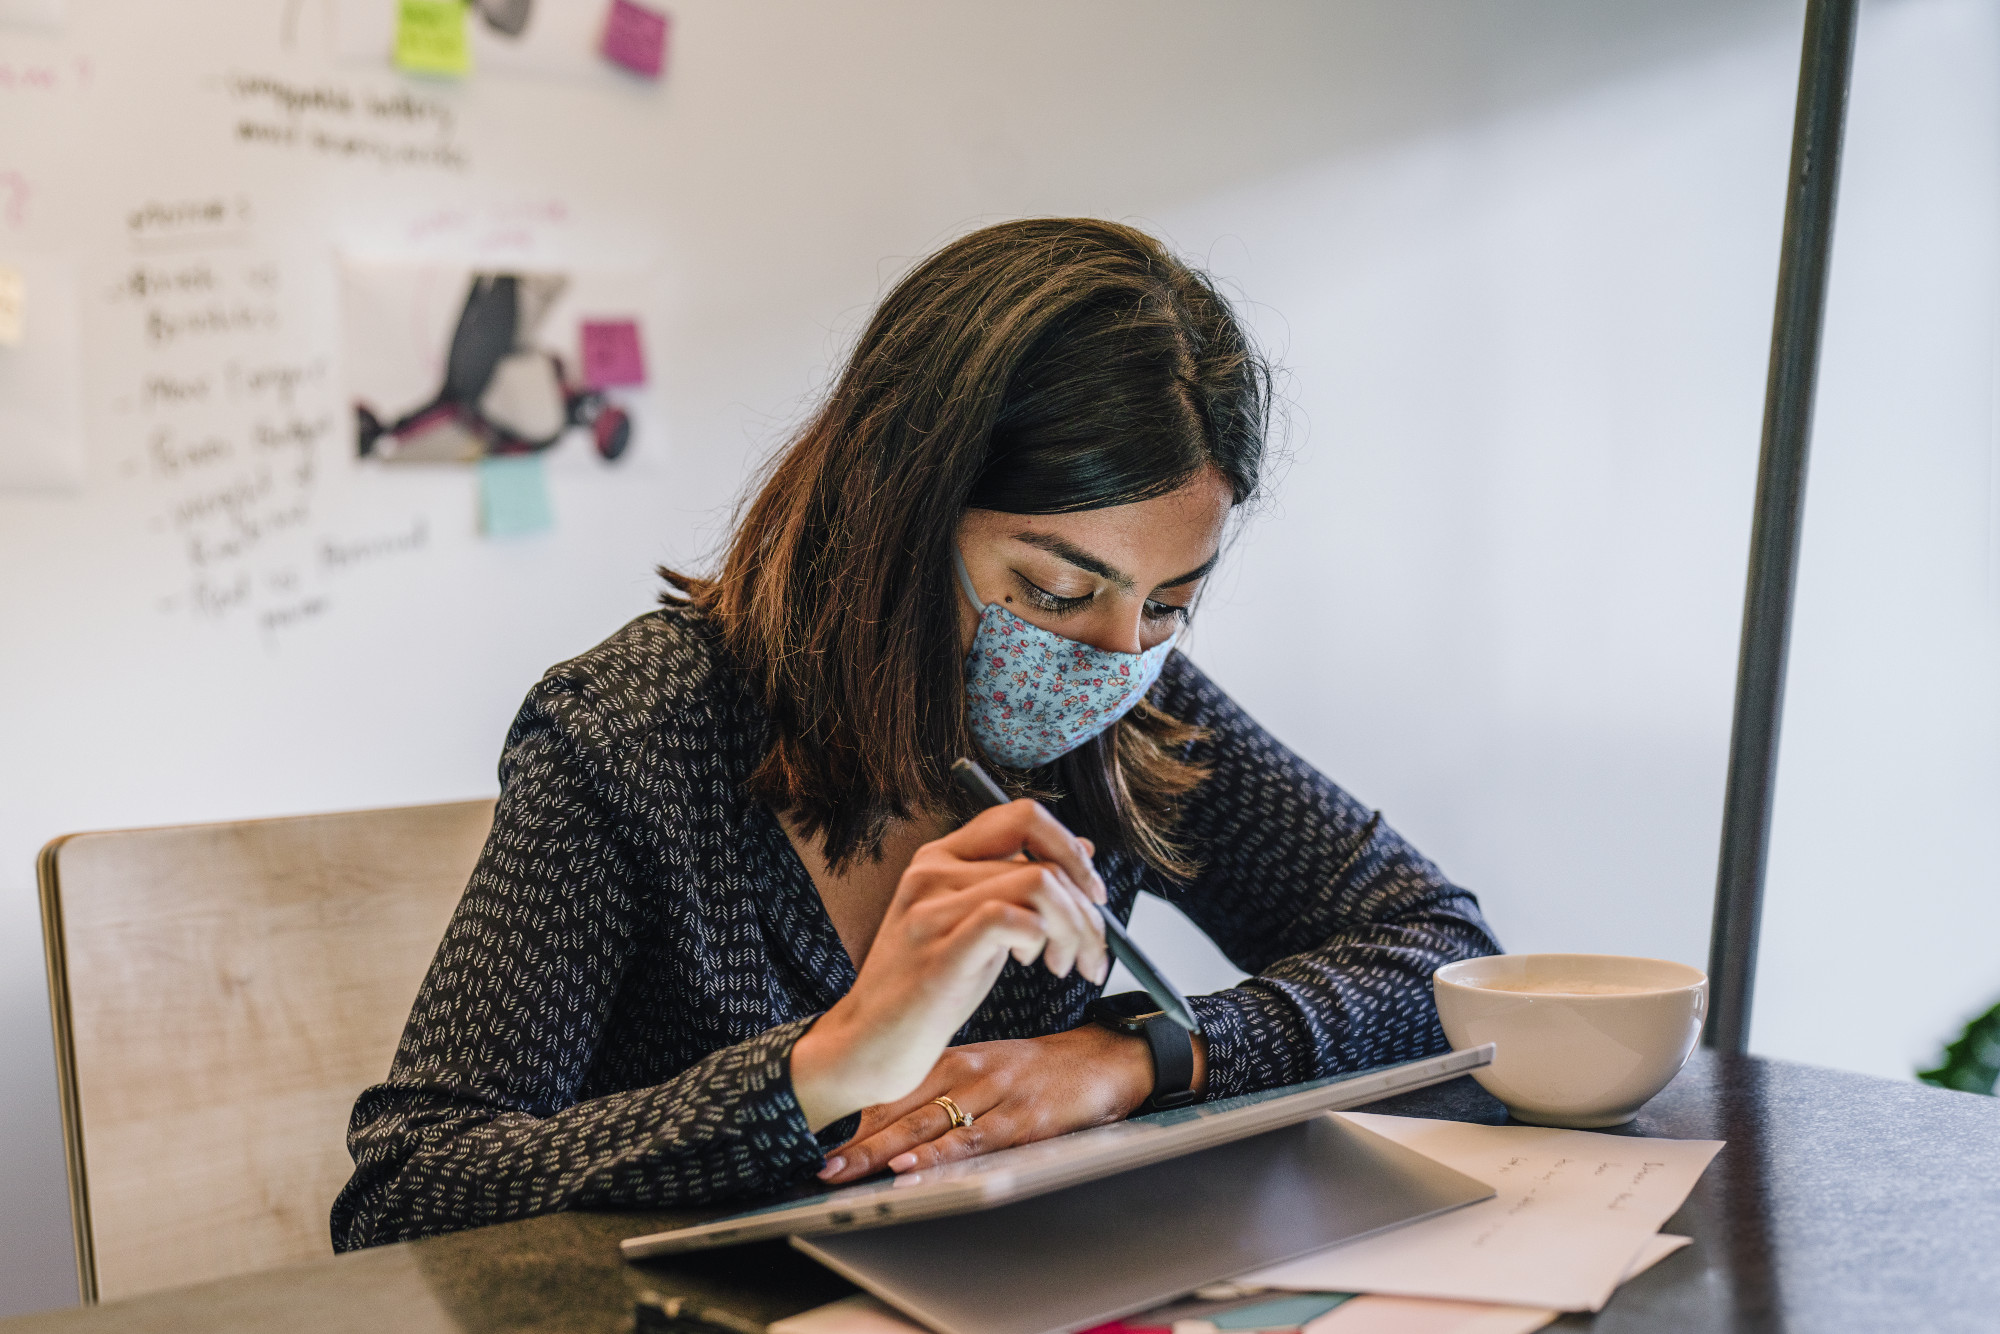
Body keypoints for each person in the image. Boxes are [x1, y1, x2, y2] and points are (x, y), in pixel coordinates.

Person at [331, 218, 1500, 1251]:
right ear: (899, 507)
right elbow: (406, 1187)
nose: (1109, 654)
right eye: (1050, 589)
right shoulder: (635, 728)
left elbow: (1437, 947)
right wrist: (827, 1061)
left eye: (1167, 603)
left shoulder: (1137, 707)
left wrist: (1130, 1060)